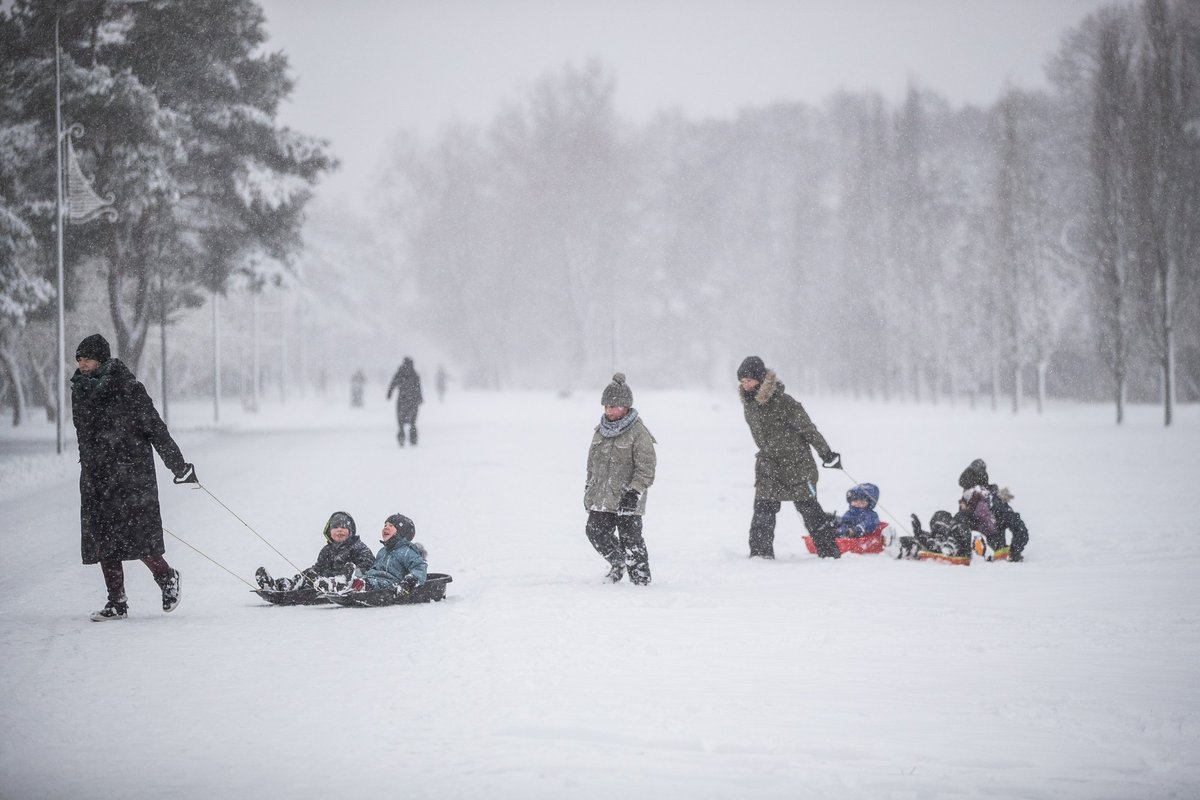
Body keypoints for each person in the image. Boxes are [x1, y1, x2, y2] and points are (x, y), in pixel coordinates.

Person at [70, 333, 197, 622]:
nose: (82, 364)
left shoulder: (127, 388)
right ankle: (116, 602)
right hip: (96, 476)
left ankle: (167, 577)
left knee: (136, 537)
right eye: (79, 359)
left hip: (130, 474)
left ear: (100, 359)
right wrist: (88, 465)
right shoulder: (79, 389)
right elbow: (83, 434)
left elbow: (155, 428)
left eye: (87, 358)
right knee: (104, 538)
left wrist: (179, 467)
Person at [737, 356, 842, 559]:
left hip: (796, 465)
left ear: (759, 378)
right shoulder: (749, 405)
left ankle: (829, 553)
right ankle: (760, 555)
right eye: (742, 381)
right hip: (769, 465)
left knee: (809, 509)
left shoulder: (785, 402)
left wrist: (826, 453)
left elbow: (808, 430)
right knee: (763, 510)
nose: (745, 385)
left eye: (748, 380)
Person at [584, 373, 657, 585]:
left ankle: (640, 580)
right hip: (602, 498)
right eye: (606, 406)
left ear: (626, 407)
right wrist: (589, 490)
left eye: (614, 406)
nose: (609, 410)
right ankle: (618, 562)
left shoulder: (639, 433)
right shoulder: (600, 431)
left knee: (631, 541)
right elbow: (592, 465)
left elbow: (646, 469)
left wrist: (634, 492)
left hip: (627, 499)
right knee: (595, 532)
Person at [255, 510, 375, 592]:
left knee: (320, 581)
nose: (339, 530)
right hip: (322, 580)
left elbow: (368, 566)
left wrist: (350, 574)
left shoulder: (358, 547)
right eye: (335, 527)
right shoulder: (327, 550)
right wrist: (311, 573)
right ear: (329, 532)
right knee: (307, 574)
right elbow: (319, 568)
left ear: (351, 531)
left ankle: (323, 585)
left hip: (342, 582)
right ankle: (282, 585)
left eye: (343, 527)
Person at [957, 458, 1030, 562]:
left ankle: (975, 547)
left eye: (969, 491)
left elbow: (1019, 527)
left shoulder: (995, 502)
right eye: (966, 492)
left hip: (992, 550)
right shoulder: (968, 503)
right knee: (947, 518)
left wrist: (1014, 551)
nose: (966, 495)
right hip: (971, 550)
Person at [347, 513, 428, 594]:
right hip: (375, 579)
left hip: (393, 583)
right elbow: (375, 568)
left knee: (372, 583)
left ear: (401, 532)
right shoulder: (382, 551)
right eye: (385, 525)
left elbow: (419, 566)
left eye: (391, 526)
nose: (386, 528)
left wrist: (411, 580)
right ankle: (346, 582)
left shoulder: (407, 552)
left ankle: (360, 585)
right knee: (365, 578)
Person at [386, 357, 423, 446]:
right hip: (413, 400)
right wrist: (420, 397)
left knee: (401, 420)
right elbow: (418, 387)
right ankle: (413, 438)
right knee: (413, 421)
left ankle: (401, 437)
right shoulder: (414, 374)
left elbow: (393, 383)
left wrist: (390, 393)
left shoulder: (400, 373)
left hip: (402, 399)